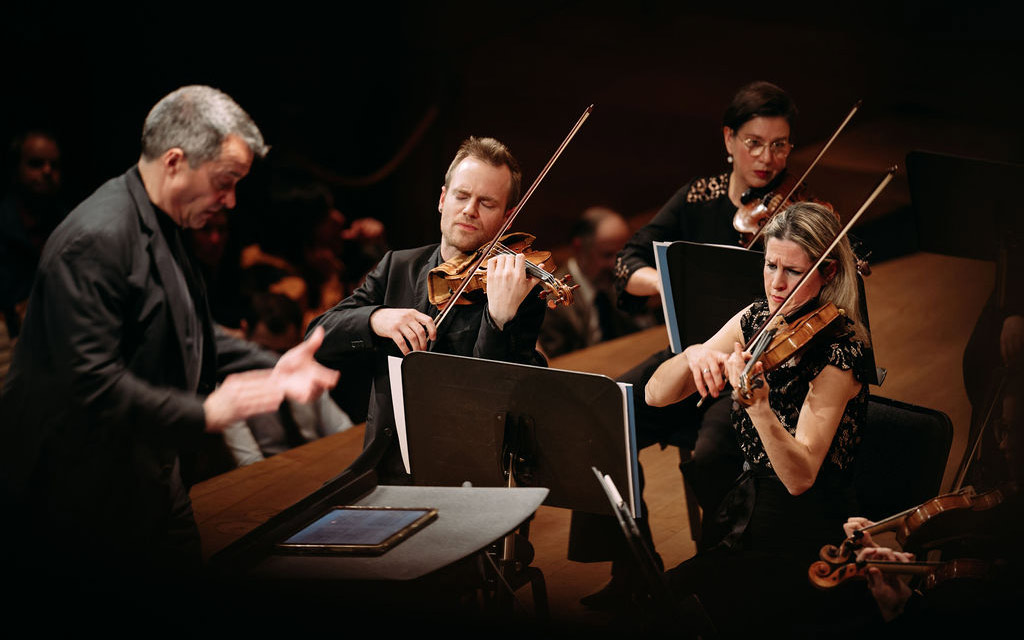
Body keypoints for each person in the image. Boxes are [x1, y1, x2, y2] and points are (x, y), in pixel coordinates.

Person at [0, 86, 339, 599]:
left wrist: (276, 366)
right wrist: (204, 413)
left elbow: (194, 338)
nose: (230, 200)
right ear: (176, 161)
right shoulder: (98, 236)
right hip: (79, 489)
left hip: (148, 473)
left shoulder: (166, 224)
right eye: (225, 182)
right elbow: (89, 383)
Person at [574, 80, 802, 609]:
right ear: (728, 139)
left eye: (780, 144)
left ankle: (726, 574)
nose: (767, 158)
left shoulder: (797, 209)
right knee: (593, 417)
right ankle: (636, 570)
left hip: (753, 368)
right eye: (753, 142)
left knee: (712, 455)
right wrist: (664, 280)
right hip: (686, 358)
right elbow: (627, 260)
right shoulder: (697, 197)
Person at [642, 202, 873, 635]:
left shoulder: (842, 351)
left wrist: (759, 408)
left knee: (682, 611)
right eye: (771, 266)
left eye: (795, 273)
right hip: (749, 516)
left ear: (829, 275)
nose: (778, 285)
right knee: (662, 601)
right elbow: (656, 395)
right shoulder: (756, 321)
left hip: (809, 535)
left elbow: (800, 476)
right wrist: (694, 356)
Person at [308, 136, 547, 484]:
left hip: (471, 479)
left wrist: (497, 319)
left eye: (487, 203)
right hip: (386, 471)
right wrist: (376, 318)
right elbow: (318, 335)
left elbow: (497, 403)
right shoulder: (397, 268)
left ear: (508, 217)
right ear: (442, 199)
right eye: (461, 196)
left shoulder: (518, 292)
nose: (469, 210)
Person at [538, 206, 649, 359]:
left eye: (622, 253)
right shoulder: (551, 299)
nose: (615, 265)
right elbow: (558, 364)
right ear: (579, 248)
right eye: (607, 255)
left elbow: (646, 331)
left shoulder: (622, 280)